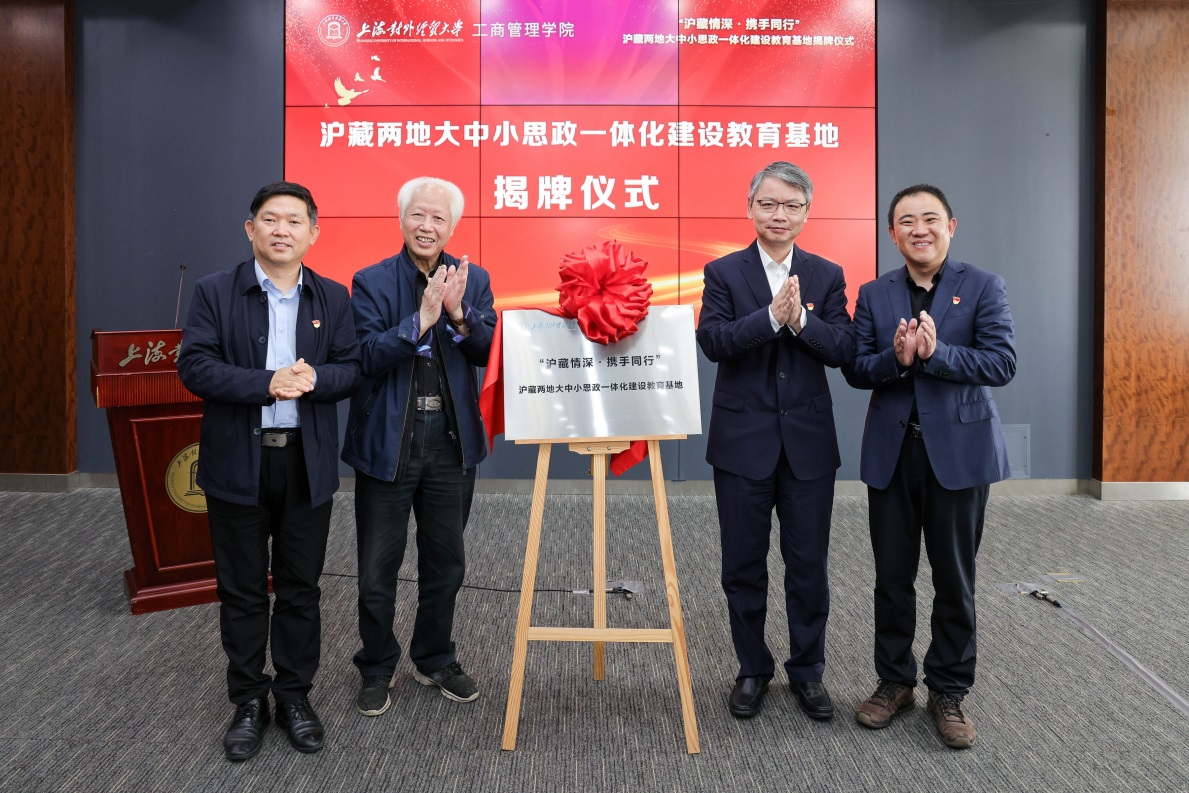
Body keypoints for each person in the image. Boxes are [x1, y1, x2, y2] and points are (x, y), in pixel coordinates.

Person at [178, 181, 361, 761]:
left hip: (305, 462)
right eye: (270, 219)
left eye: (294, 221)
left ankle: (294, 697)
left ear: (313, 233)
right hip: (239, 461)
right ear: (250, 228)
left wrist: (315, 379)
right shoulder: (215, 292)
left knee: (301, 588)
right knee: (242, 589)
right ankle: (249, 701)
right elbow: (195, 366)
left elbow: (351, 367)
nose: (282, 230)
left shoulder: (333, 297)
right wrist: (266, 383)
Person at [843, 184, 1016, 749]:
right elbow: (856, 369)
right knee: (892, 577)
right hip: (893, 453)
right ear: (893, 234)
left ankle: (948, 690)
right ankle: (894, 682)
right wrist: (894, 360)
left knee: (954, 579)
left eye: (930, 218)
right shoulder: (875, 293)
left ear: (950, 226)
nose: (919, 229)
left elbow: (1001, 363)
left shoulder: (983, 285)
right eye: (907, 221)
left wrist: (938, 354)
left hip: (959, 455)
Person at [696, 161, 856, 720]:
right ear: (750, 208)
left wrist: (802, 323)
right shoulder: (723, 272)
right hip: (742, 442)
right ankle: (752, 669)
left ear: (807, 212)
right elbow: (713, 341)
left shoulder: (826, 274)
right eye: (768, 203)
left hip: (808, 443)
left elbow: (843, 348)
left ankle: (808, 672)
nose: (779, 214)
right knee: (743, 565)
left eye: (791, 205)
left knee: (808, 564)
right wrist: (769, 317)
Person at [341, 176, 496, 716]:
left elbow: (487, 352)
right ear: (402, 219)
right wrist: (420, 321)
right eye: (418, 215)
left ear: (452, 227)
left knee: (446, 562)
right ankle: (376, 665)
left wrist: (457, 314)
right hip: (390, 440)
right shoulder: (371, 282)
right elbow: (364, 355)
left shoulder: (473, 280)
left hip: (451, 441)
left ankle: (434, 658)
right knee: (377, 567)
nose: (427, 226)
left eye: (438, 218)